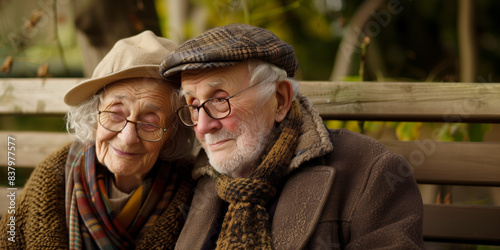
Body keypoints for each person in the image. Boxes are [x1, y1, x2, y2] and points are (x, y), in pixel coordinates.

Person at [159, 23, 425, 249]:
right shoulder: (195, 181)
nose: (203, 126)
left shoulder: (371, 172)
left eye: (219, 99)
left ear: (280, 99)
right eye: (194, 105)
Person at [0, 31, 196, 249]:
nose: (128, 137)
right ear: (93, 116)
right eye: (115, 114)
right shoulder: (50, 179)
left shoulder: (192, 193)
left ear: (172, 133)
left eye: (150, 122)